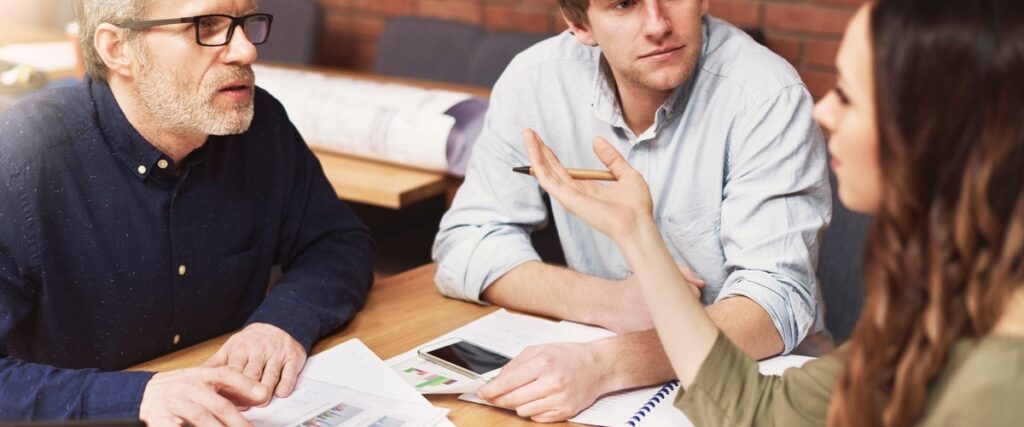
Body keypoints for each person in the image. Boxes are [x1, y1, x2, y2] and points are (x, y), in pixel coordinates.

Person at [523, 0, 1024, 425]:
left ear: (932, 131)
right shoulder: (945, 306)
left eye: (847, 96)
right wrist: (636, 232)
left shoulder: (995, 384)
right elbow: (753, 409)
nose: (822, 112)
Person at [434, 0, 832, 420]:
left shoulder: (766, 93)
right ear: (580, 24)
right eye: (624, 4)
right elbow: (466, 242)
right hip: (603, 381)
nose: (658, 25)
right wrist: (606, 300)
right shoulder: (535, 79)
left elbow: (775, 304)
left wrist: (605, 364)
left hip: (763, 388)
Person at [0, 0, 374, 424]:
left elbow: (338, 241)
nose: (246, 50)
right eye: (207, 25)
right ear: (118, 49)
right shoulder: (22, 159)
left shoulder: (260, 124)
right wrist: (136, 396)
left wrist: (282, 323)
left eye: (245, 22)